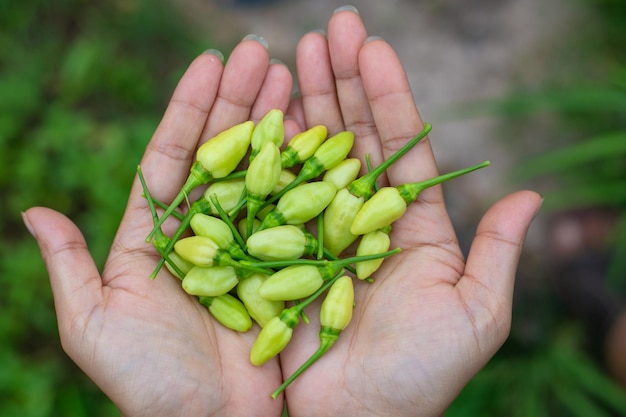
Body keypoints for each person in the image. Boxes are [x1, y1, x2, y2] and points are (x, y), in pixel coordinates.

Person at [21, 6, 542, 417]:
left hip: (282, 241)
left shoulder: (283, 220)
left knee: (283, 239)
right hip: (279, 244)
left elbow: (278, 255)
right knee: (283, 241)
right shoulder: (276, 226)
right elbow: (269, 261)